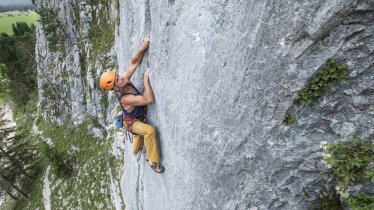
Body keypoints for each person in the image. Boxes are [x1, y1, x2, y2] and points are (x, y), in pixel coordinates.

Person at [99, 34, 164, 173]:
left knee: (136, 148)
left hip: (134, 119)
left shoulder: (124, 80)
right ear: (115, 88)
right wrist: (146, 82)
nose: (121, 78)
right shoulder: (125, 98)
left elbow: (134, 63)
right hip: (133, 123)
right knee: (149, 131)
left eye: (117, 75)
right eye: (117, 80)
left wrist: (144, 46)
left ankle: (136, 149)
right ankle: (152, 161)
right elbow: (149, 100)